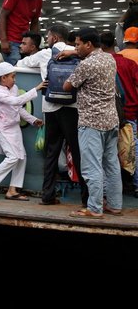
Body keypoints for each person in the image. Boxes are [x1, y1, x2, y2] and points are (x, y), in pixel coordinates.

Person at [16, 25, 87, 206]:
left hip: (51, 108)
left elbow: (19, 64)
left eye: (48, 37)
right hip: (72, 107)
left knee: (51, 153)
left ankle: (47, 195)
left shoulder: (44, 54)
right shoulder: (78, 53)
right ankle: (86, 199)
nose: (46, 40)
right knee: (77, 151)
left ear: (54, 38)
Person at [64, 28, 122, 218]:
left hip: (92, 122)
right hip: (111, 120)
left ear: (88, 44)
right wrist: (75, 53)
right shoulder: (109, 58)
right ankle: (114, 205)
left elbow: (67, 86)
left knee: (91, 167)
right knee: (112, 165)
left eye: (78, 44)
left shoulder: (87, 65)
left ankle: (94, 208)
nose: (76, 47)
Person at [0, 62, 45, 200]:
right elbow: (16, 102)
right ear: (3, 78)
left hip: (14, 128)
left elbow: (18, 108)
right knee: (13, 157)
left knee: (22, 157)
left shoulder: (13, 88)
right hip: (2, 129)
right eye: (12, 76)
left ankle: (12, 190)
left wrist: (32, 120)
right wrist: (36, 89)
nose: (14, 79)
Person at [101, 32, 138, 198]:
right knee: (132, 150)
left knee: (106, 154)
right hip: (130, 112)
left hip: (105, 115)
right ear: (115, 43)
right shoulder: (128, 64)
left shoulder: (98, 63)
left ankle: (106, 190)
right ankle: (136, 185)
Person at [0, 0, 49, 65]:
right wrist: (4, 40)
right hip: (11, 41)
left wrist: (35, 43)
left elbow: (34, 22)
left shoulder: (38, 1)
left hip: (24, 41)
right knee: (14, 67)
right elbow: (3, 15)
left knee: (25, 67)